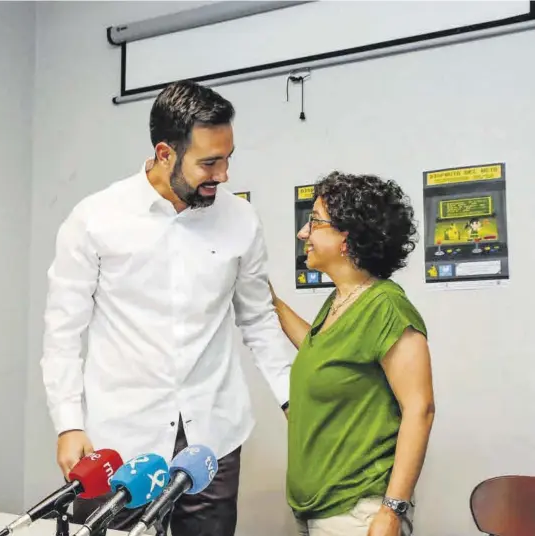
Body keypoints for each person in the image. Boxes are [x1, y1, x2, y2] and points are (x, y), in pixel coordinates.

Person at [40, 80, 291, 536]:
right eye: (210, 162)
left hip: (213, 436)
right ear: (164, 154)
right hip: (118, 438)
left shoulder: (240, 220)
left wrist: (295, 398)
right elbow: (63, 333)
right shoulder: (95, 219)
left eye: (228, 158)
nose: (224, 174)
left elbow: (257, 318)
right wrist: (68, 424)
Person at [270, 172, 435, 536]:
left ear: (346, 237)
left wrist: (391, 512)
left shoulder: (387, 307)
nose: (303, 233)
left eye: (314, 221)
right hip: (318, 506)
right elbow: (323, 353)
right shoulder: (342, 300)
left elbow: (419, 409)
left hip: (358, 512)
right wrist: (270, 301)